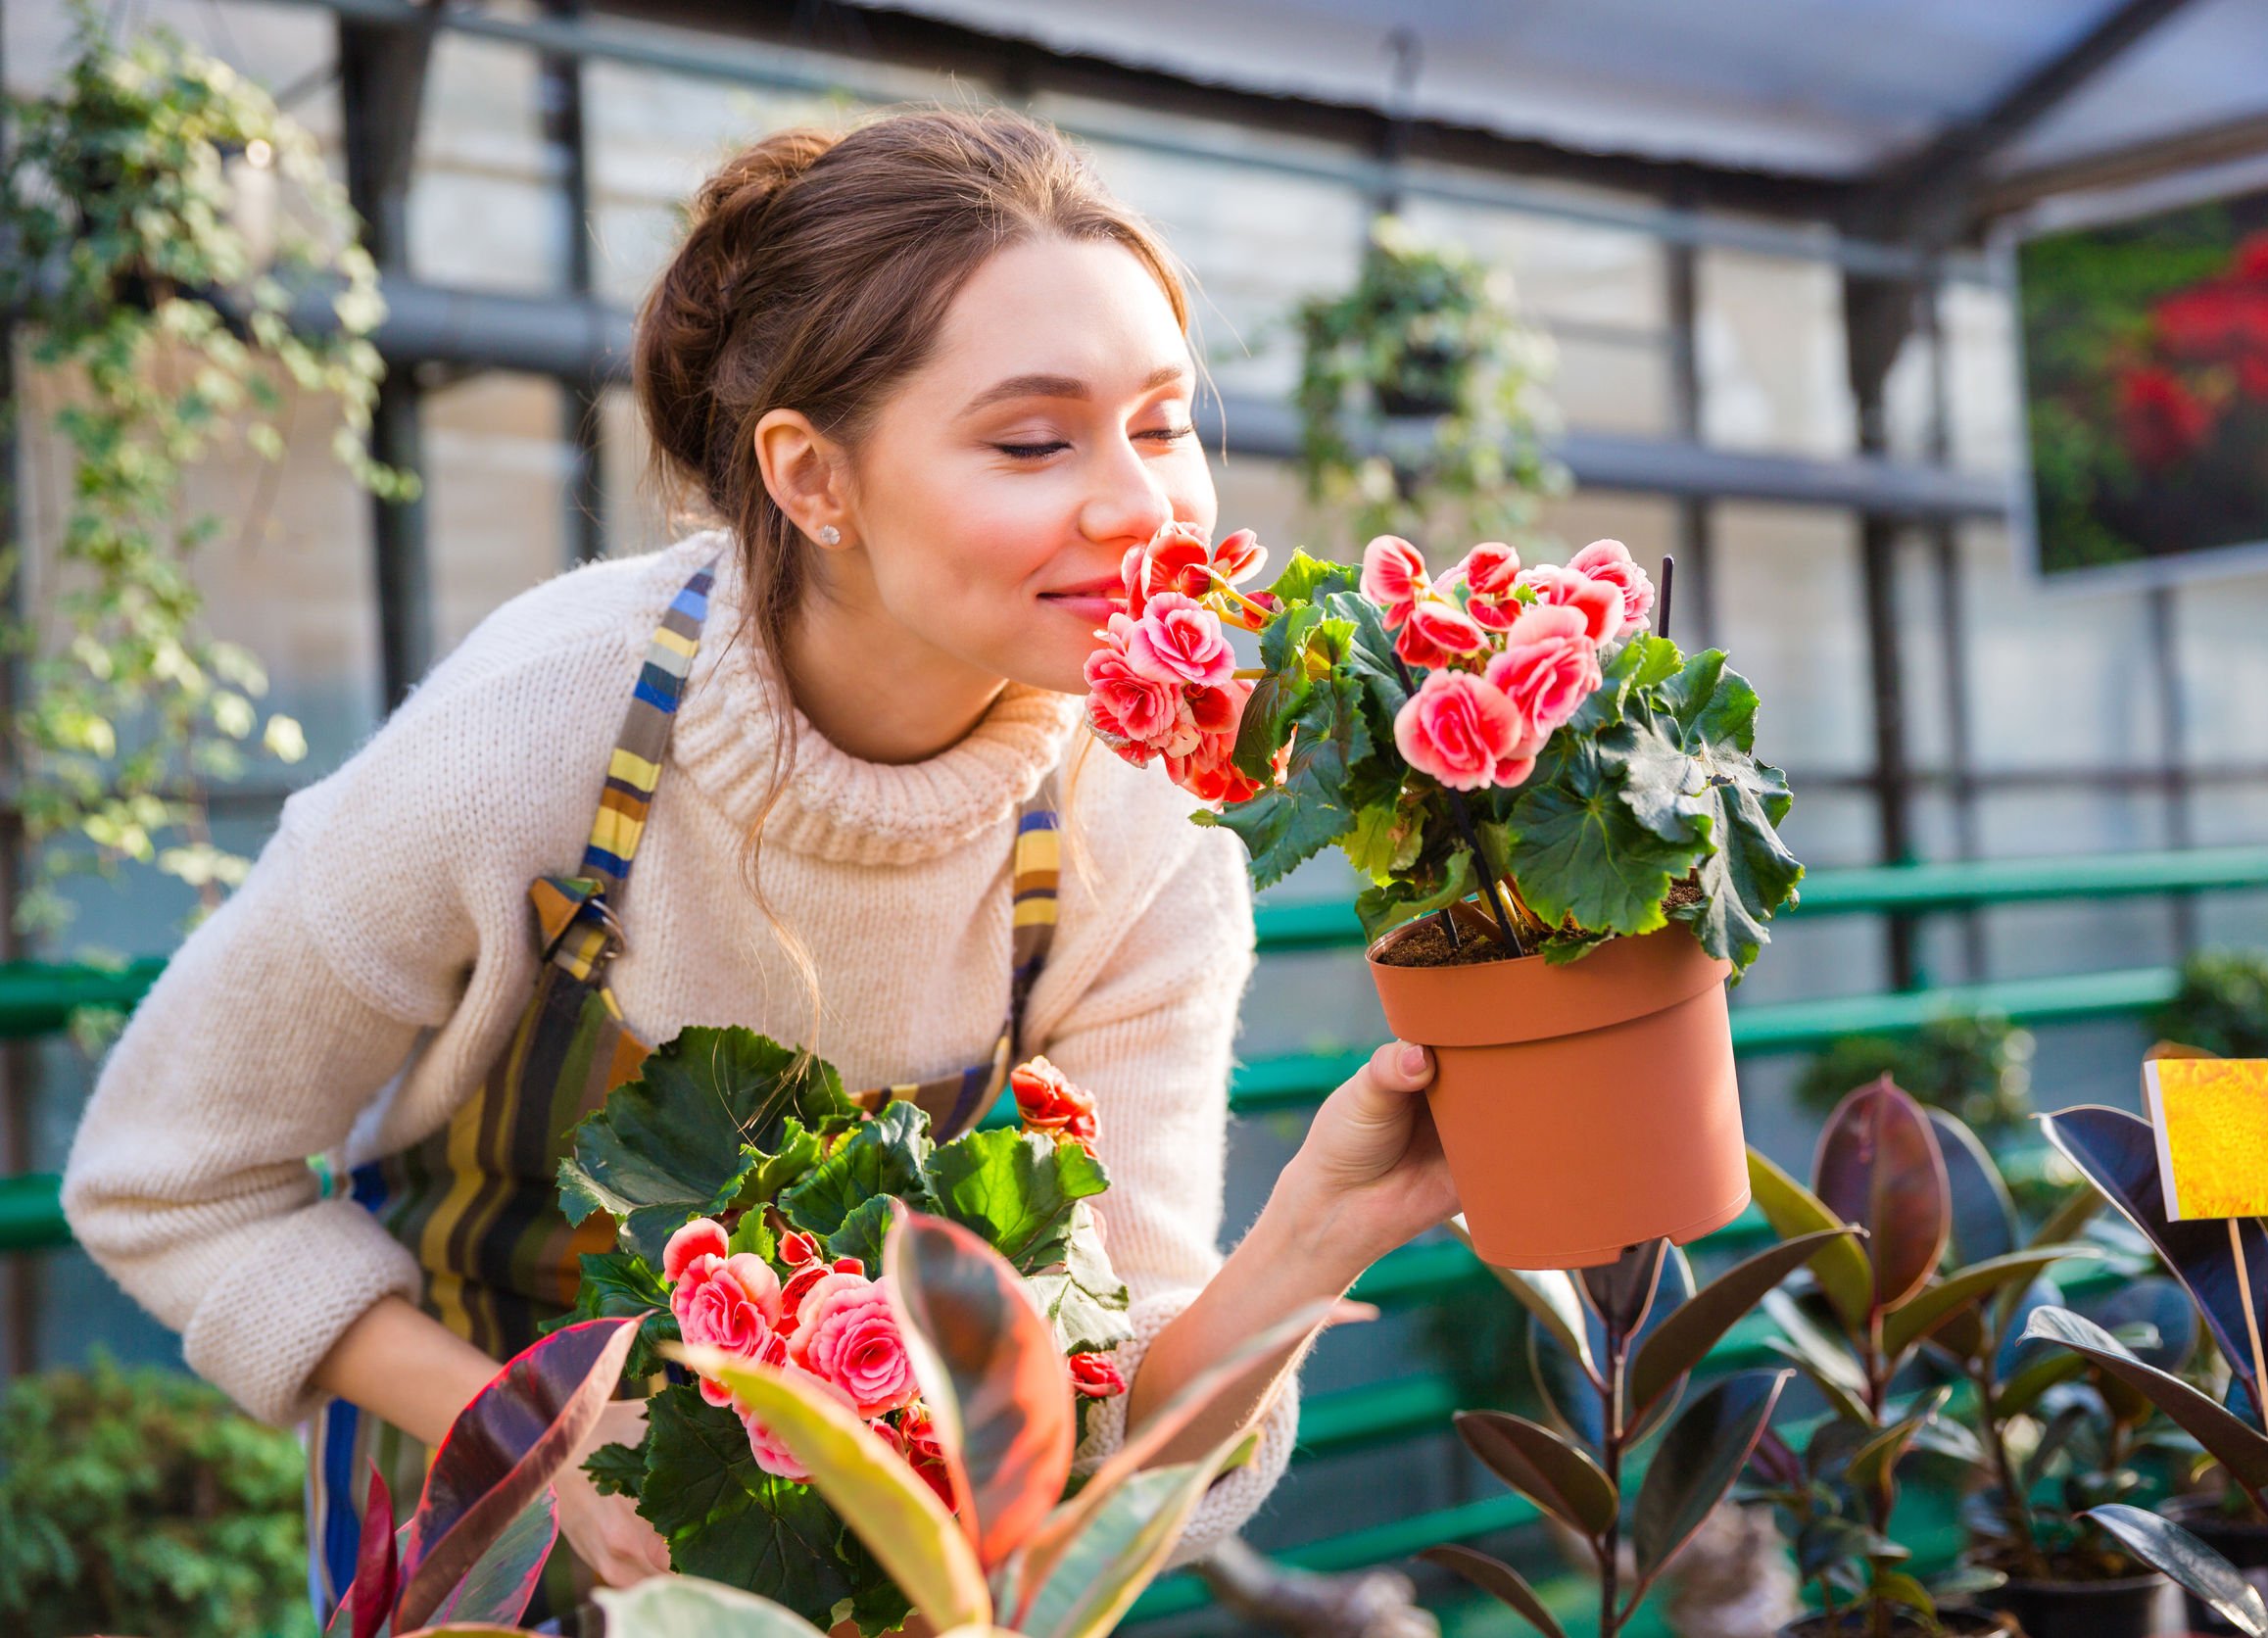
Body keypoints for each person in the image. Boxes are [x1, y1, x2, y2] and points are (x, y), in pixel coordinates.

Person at [60, 107, 1460, 1623]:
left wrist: (1327, 1226)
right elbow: (172, 1183)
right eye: (1035, 440)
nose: (1143, 509)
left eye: (1166, 422)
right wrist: (542, 1429)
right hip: (489, 1535)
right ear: (812, 479)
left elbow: (1105, 1431)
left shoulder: (1146, 821)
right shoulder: (538, 730)